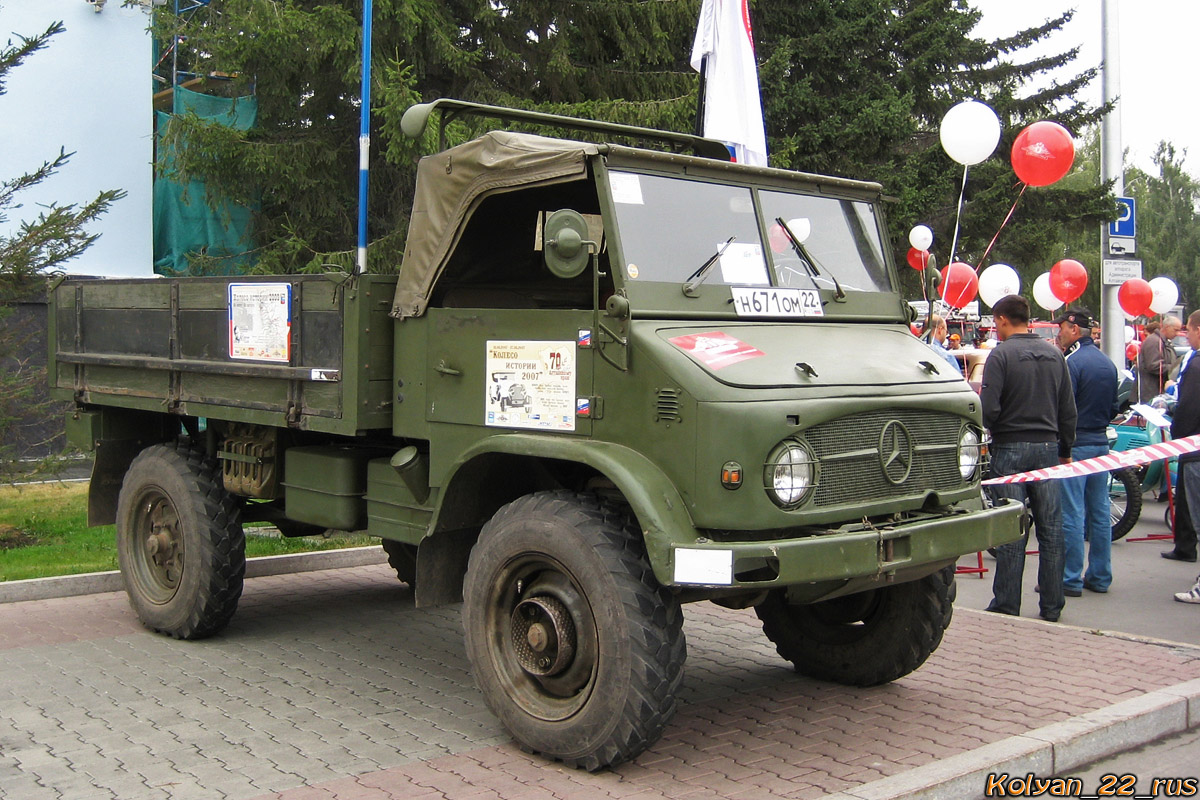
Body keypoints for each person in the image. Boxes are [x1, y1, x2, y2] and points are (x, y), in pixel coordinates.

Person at [980, 294, 1077, 622]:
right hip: (1048, 449)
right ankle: (1052, 605)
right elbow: (1068, 410)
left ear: (1004, 319)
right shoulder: (1055, 355)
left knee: (1011, 530)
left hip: (1009, 449)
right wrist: (1065, 450)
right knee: (1051, 530)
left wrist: (989, 430)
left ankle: (1007, 603)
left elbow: (989, 409)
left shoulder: (1001, 356)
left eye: (996, 321)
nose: (995, 327)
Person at [1055, 308, 1121, 596]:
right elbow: (1116, 407)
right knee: (1099, 512)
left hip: (1077, 445)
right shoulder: (1108, 363)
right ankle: (1100, 575)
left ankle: (1070, 578)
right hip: (1100, 442)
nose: (1058, 333)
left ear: (1073, 329)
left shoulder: (1072, 362)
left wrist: (1063, 446)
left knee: (1072, 513)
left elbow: (1065, 410)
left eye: (1061, 328)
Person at [1164, 310, 1200, 564]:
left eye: (1188, 330)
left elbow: (1189, 407)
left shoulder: (1196, 365)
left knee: (1193, 504)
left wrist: (1178, 436)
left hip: (1194, 446)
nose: (1185, 336)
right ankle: (1184, 545)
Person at [1137, 316, 1181, 402]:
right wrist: (1174, 369)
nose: (1177, 334)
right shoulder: (1153, 341)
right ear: (1167, 327)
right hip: (1150, 394)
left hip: (1156, 392)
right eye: (1175, 330)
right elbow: (1153, 366)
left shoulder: (1163, 342)